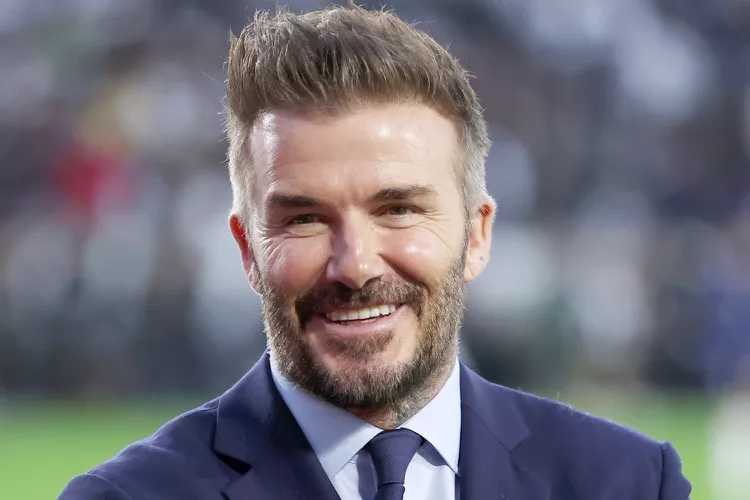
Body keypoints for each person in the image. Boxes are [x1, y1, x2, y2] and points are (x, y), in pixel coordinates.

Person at [59, 4, 692, 499]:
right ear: (248, 250)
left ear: (477, 235)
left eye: (398, 210)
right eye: (305, 219)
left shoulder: (629, 483)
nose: (356, 264)